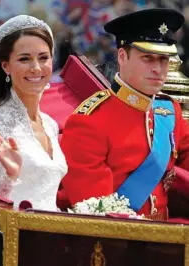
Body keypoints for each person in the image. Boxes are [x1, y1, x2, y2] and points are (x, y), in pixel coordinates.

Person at [59, 8, 189, 220]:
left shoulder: (169, 110)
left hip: (167, 240)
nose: (158, 68)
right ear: (122, 56)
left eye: (164, 60)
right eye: (148, 58)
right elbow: (96, 212)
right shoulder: (89, 120)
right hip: (118, 245)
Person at [0, 15, 68, 211]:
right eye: (24, 59)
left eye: (43, 58)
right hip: (13, 238)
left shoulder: (50, 124)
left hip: (53, 235)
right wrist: (11, 178)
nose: (36, 68)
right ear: (5, 66)